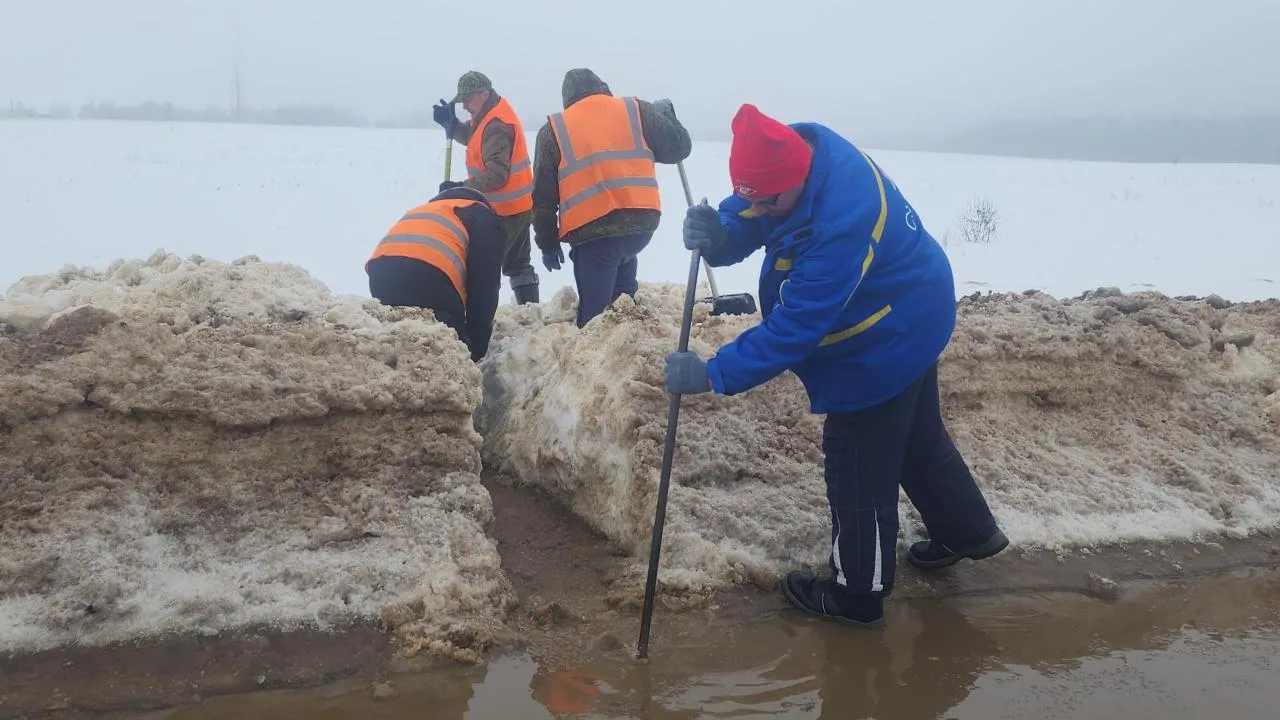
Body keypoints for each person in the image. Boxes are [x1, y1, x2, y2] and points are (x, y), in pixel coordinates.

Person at [663, 103, 1008, 628]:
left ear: (794, 177)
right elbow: (759, 204)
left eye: (770, 199)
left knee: (857, 464)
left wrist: (713, 373)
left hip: (887, 334)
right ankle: (969, 531)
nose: (764, 207)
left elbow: (796, 328)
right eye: (752, 195)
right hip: (911, 302)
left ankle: (857, 593)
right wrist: (723, 230)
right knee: (916, 438)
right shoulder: (798, 156)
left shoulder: (843, 218)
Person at [530, 68, 692, 328]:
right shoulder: (635, 110)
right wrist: (667, 118)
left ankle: (598, 354)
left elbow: (543, 198)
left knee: (594, 323)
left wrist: (547, 244)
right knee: (622, 304)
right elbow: (679, 147)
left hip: (594, 236)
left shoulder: (554, 130)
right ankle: (629, 338)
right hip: (641, 227)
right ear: (602, 87)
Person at [433, 71, 540, 305]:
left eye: (468, 99)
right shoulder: (489, 113)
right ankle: (529, 311)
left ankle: (481, 320)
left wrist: (459, 188)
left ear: (485, 93)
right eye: (462, 101)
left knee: (486, 268)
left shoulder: (497, 124)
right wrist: (452, 126)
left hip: (506, 210)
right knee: (517, 262)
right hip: (514, 205)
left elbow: (496, 176)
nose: (465, 106)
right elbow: (476, 139)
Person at [366, 185, 504, 362]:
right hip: (429, 275)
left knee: (397, 342)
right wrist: (477, 346)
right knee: (447, 348)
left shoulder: (426, 209)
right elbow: (484, 285)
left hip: (381, 273)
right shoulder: (480, 214)